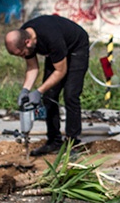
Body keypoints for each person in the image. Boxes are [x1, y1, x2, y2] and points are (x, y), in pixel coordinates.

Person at [5, 15, 90, 156]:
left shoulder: (51, 37)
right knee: (49, 97)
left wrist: (38, 91)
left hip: (76, 47)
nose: (23, 57)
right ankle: (54, 142)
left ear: (27, 42)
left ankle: (72, 144)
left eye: (22, 54)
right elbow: (32, 68)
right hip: (56, 53)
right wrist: (25, 90)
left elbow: (61, 71)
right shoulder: (24, 37)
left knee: (70, 95)